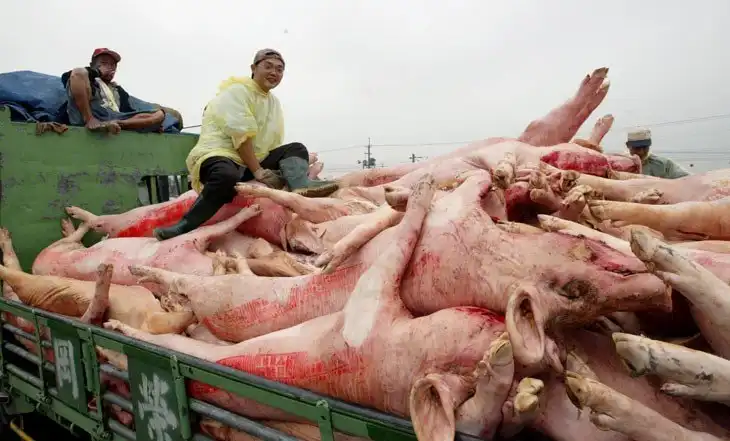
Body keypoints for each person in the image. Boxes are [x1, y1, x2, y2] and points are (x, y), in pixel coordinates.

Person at [153, 49, 339, 241]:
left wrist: (269, 166)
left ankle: (301, 186)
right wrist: (259, 172)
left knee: (296, 148)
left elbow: (270, 141)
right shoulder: (237, 91)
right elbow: (242, 137)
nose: (274, 72)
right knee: (225, 176)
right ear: (253, 68)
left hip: (250, 161)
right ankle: (184, 225)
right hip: (221, 154)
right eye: (268, 66)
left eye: (279, 69)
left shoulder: (273, 102)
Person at [61, 48, 165, 134]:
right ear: (92, 64)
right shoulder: (87, 77)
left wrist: (148, 124)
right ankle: (89, 120)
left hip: (113, 117)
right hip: (91, 113)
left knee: (159, 114)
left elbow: (128, 112)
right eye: (104, 63)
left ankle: (117, 124)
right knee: (79, 72)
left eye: (112, 65)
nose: (109, 67)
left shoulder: (118, 90)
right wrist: (98, 72)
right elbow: (73, 76)